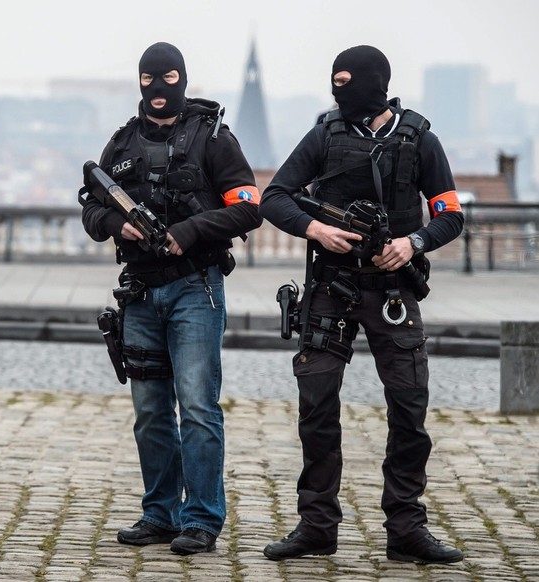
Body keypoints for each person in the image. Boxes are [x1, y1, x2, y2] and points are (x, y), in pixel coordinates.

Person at [258, 45, 465, 564]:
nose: (339, 90)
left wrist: (412, 244)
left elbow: (450, 214)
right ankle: (316, 525)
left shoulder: (420, 140)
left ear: (376, 83)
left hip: (394, 290)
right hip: (330, 288)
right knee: (318, 408)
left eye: (348, 81)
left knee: (409, 409)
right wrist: (315, 229)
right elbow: (275, 195)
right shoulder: (324, 134)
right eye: (335, 81)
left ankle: (406, 528)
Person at [79, 41, 263, 555]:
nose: (158, 89)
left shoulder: (213, 139)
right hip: (139, 292)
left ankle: (201, 518)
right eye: (148, 79)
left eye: (168, 78)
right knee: (151, 411)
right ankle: (159, 514)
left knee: (198, 407)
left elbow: (250, 208)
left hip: (194, 287)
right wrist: (121, 224)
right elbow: (92, 213)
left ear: (183, 78)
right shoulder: (121, 144)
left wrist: (188, 231)